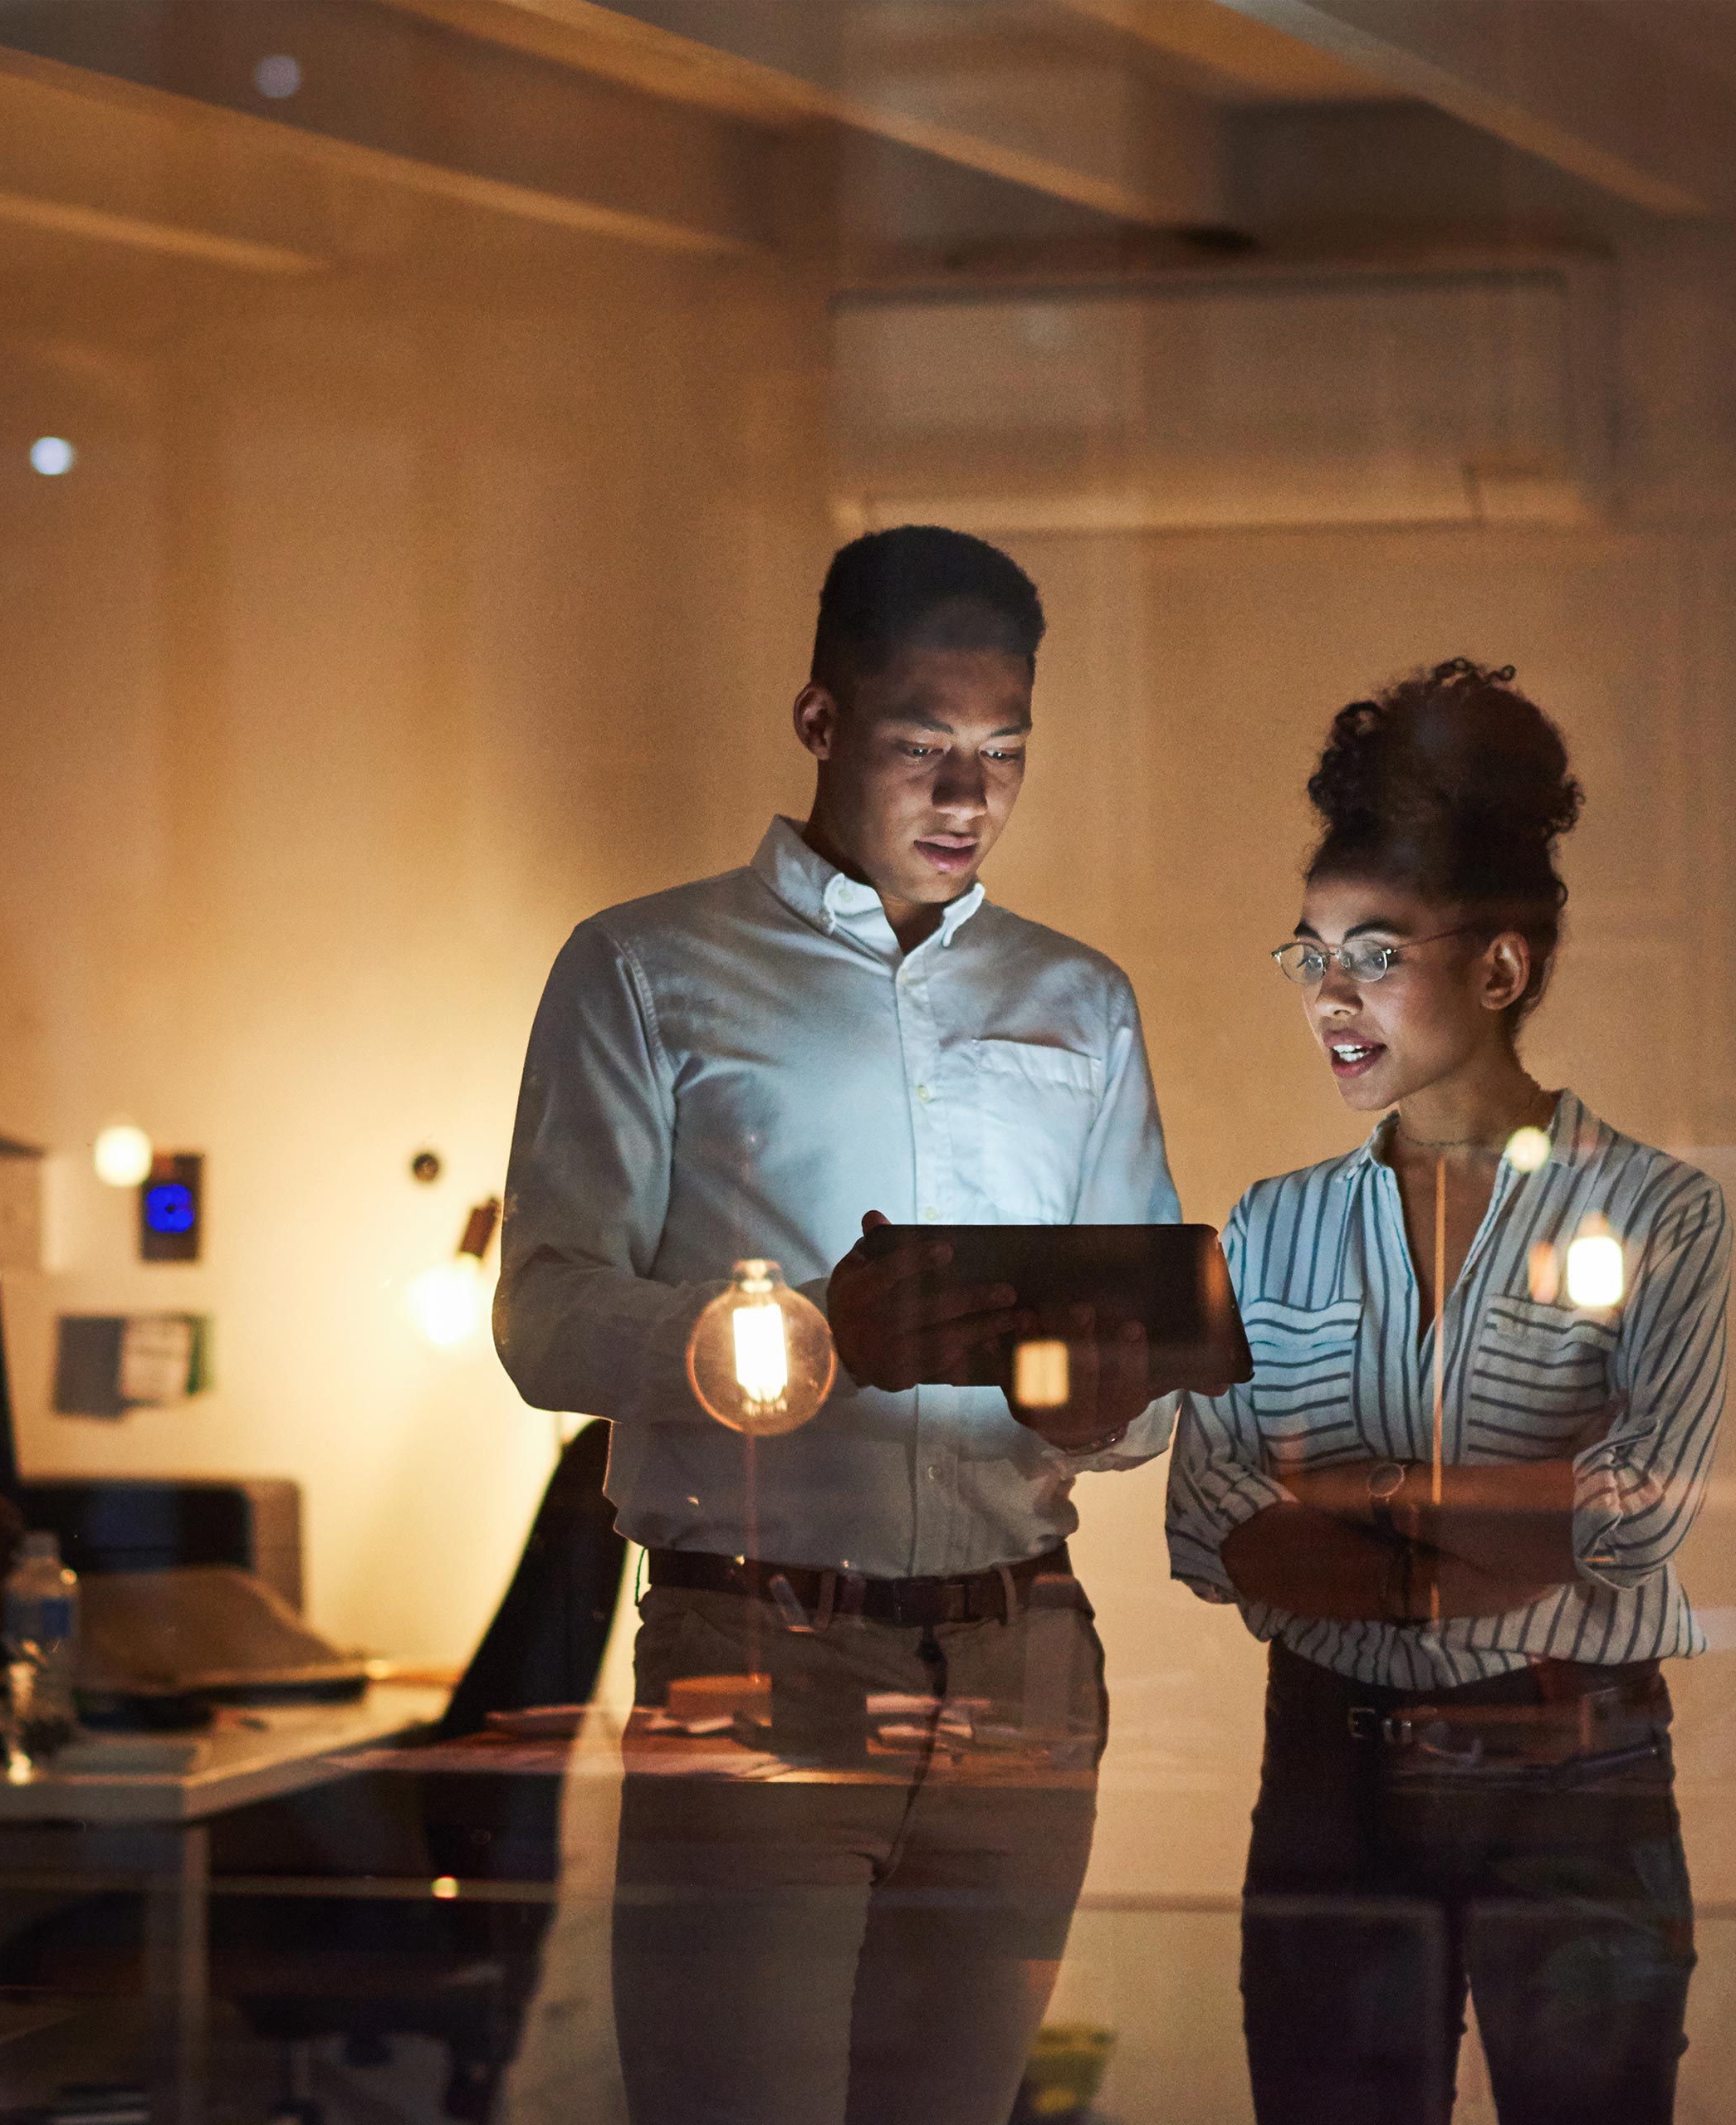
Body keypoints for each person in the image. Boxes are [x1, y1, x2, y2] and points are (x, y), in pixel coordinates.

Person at [494, 525, 1176, 2125]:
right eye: (921, 745)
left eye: (1003, 753)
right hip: (757, 1655)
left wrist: (1111, 1404)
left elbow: (1147, 1399)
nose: (968, 797)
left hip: (1021, 1664)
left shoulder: (1081, 1002)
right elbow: (544, 1321)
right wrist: (818, 1336)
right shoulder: (646, 970)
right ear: (819, 723)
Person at [1166, 657, 1728, 2125]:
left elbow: (1625, 1517)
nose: (1328, 996)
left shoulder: (1659, 1212)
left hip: (1576, 1778)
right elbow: (1215, 1514)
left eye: (1372, 952)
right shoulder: (1268, 1224)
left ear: (1500, 967)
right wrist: (1465, 1524)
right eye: (1308, 955)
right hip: (1330, 1773)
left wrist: (1346, 1508)